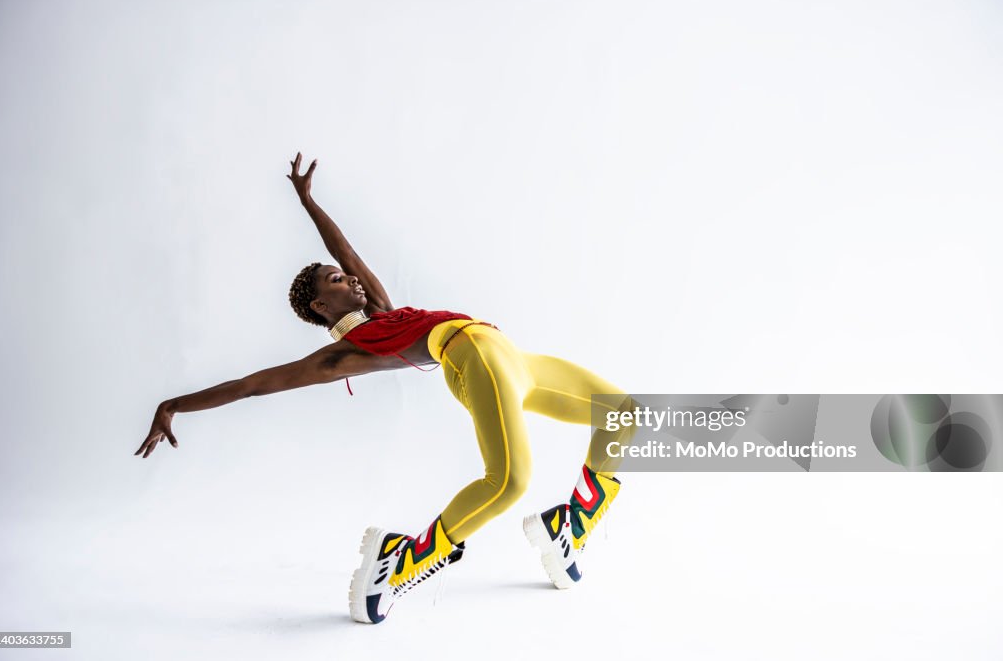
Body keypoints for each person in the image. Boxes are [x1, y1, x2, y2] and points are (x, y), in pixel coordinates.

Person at [136, 153, 638, 624]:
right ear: (320, 307)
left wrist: (308, 202)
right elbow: (252, 385)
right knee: (508, 481)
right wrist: (172, 404)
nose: (352, 279)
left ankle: (571, 527)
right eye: (337, 280)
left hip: (510, 359)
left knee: (623, 413)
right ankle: (402, 560)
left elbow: (345, 250)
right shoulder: (343, 354)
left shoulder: (380, 309)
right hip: (475, 357)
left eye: (347, 276)